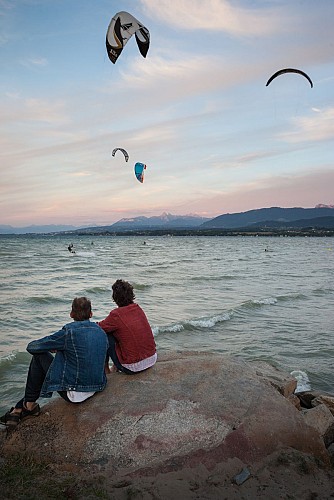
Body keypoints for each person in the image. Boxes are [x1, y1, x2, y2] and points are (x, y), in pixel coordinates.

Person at [0, 297, 108, 430]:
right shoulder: (101, 332)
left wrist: (54, 347)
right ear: (91, 314)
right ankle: (23, 405)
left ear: (71, 314)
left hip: (76, 394)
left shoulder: (68, 333)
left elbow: (32, 347)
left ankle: (27, 406)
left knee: (40, 356)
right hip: (97, 386)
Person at [98, 279, 157, 375]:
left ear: (115, 297)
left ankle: (106, 370)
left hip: (133, 366)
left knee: (106, 334)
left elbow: (100, 327)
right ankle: (115, 366)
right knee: (122, 331)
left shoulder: (116, 315)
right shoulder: (137, 308)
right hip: (151, 358)